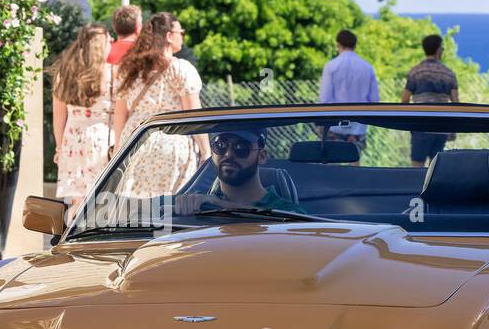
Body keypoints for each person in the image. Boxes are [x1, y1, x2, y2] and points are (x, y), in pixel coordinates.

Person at [111, 12, 210, 196]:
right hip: (171, 139)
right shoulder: (180, 69)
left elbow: (120, 113)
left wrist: (119, 146)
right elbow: (193, 113)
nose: (183, 36)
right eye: (181, 32)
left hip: (134, 141)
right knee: (170, 209)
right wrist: (206, 151)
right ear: (169, 36)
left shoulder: (130, 71)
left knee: (136, 208)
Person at [49, 23, 114, 217]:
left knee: (76, 200)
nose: (112, 42)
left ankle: (74, 237)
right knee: (104, 197)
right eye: (109, 39)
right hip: (102, 139)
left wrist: (60, 147)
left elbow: (59, 115)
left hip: (72, 140)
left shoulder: (65, 74)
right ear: (101, 45)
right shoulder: (112, 73)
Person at [173, 128, 304, 214]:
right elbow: (154, 209)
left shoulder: (288, 212)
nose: (229, 154)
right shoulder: (195, 201)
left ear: (262, 156)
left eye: (241, 147)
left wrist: (220, 205)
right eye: (221, 145)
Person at [317, 29, 379, 153]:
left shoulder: (331, 66)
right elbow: (374, 100)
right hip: (359, 125)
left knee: (332, 160)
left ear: (338, 44)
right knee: (354, 160)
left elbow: (325, 98)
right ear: (354, 45)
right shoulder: (367, 67)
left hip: (334, 125)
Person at [402, 34, 460, 167]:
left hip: (420, 126)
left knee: (417, 169)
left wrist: (409, 124)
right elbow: (456, 104)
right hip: (441, 126)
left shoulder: (415, 72)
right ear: (439, 50)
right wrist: (453, 130)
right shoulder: (448, 74)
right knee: (436, 170)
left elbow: (404, 100)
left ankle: (417, 188)